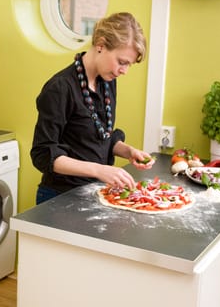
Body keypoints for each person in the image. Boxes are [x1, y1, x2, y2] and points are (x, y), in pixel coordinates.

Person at [31, 12, 155, 205]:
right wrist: (99, 170)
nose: (124, 71)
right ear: (101, 45)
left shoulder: (107, 81)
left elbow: (98, 137)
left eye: (129, 65)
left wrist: (128, 151)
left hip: (96, 193)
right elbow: (42, 154)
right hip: (60, 197)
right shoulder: (60, 88)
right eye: (122, 62)